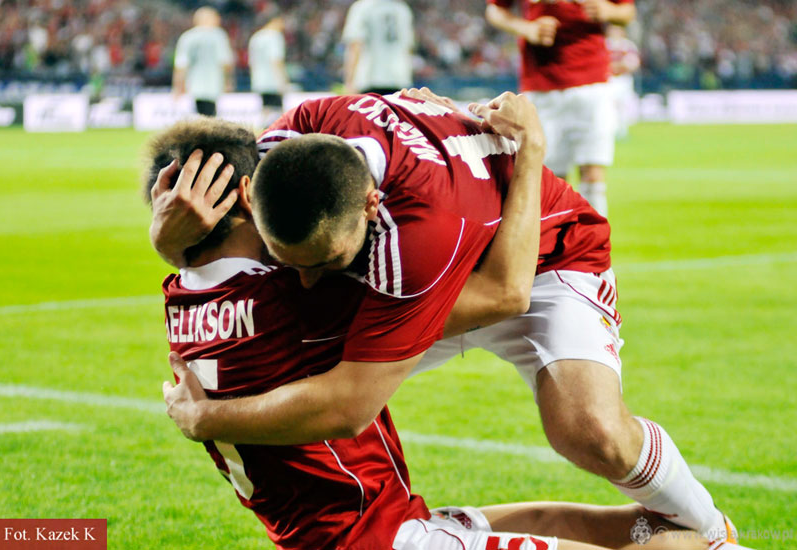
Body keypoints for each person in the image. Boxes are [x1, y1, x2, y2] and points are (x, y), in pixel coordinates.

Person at [150, 89, 738, 545]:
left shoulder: (417, 234)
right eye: (289, 261)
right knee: (299, 338)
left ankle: (711, 531)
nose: (304, 279)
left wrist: (531, 153)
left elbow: (503, 294)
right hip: (429, 262)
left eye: (324, 262)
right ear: (251, 194)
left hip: (535, 262)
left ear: (371, 206)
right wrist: (171, 242)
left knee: (591, 432)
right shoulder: (298, 137)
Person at [484, 0, 636, 217]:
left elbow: (627, 11)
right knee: (550, 178)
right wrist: (526, 28)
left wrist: (608, 10)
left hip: (593, 83)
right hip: (542, 85)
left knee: (593, 173)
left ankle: (593, 238)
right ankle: (555, 238)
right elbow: (495, 10)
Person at [172, 6, 234, 117]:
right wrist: (228, 81)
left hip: (195, 84)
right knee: (210, 114)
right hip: (214, 83)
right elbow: (225, 62)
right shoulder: (218, 35)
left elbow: (181, 65)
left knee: (201, 113)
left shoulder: (187, 37)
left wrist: (178, 86)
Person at [341, 0, 414, 95]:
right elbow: (408, 47)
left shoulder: (362, 7)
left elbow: (356, 45)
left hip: (370, 78)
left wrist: (350, 81)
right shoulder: (402, 9)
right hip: (399, 79)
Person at [248, 11, 289, 126]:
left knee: (266, 108)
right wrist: (282, 80)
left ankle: (263, 130)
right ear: (275, 21)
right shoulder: (274, 36)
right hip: (273, 80)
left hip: (259, 80)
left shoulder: (256, 37)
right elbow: (276, 60)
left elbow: (251, 62)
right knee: (277, 113)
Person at [606, 24, 641, 140]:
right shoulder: (605, 44)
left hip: (624, 79)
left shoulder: (628, 45)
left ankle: (622, 130)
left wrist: (621, 66)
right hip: (609, 79)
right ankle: (611, 130)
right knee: (609, 105)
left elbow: (634, 63)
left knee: (623, 105)